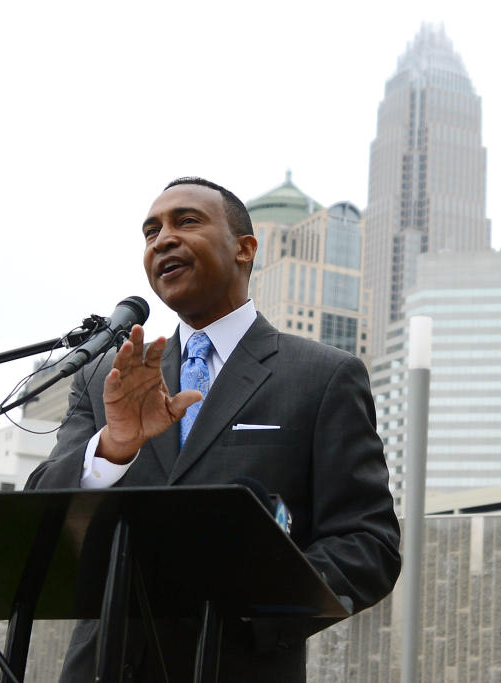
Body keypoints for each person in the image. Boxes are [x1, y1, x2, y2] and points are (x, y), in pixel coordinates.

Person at [26, 177, 401, 681]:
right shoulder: (106, 379)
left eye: (187, 221)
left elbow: (367, 542)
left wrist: (255, 608)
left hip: (239, 664)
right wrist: (113, 448)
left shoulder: (323, 376)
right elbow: (39, 517)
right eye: (150, 230)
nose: (162, 239)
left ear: (246, 249)